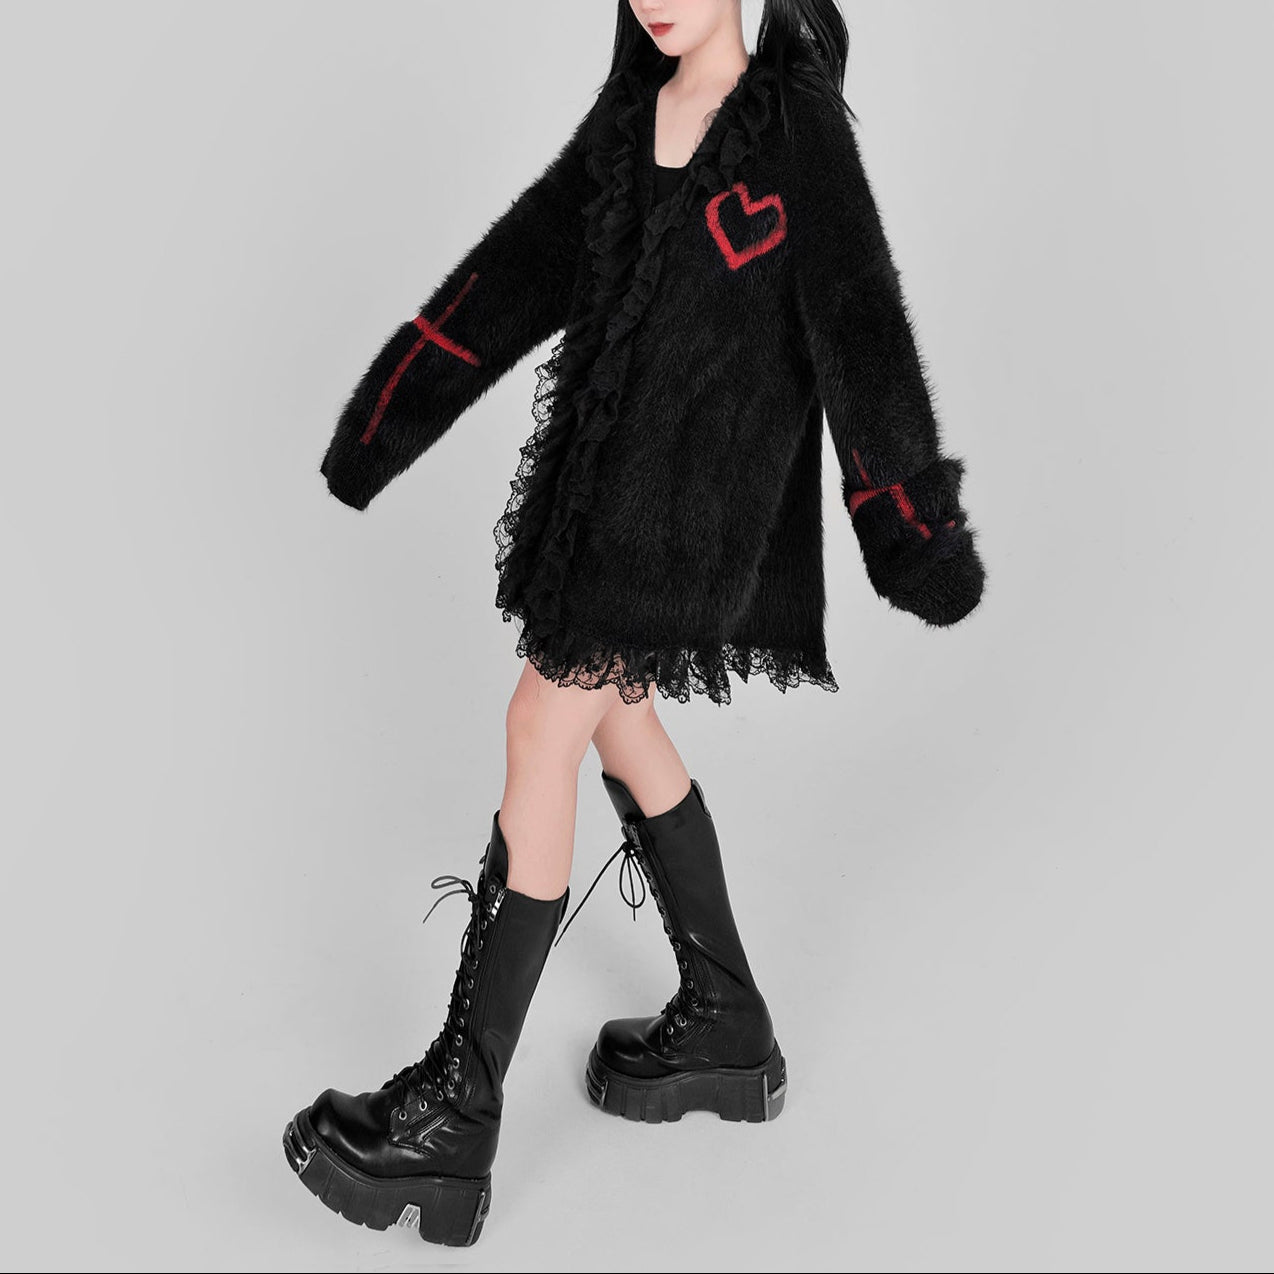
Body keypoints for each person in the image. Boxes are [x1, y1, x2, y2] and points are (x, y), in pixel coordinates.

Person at [283, 0, 986, 1248]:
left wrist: (910, 528)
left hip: (690, 517)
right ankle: (727, 1020)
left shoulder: (793, 125)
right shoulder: (633, 116)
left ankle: (455, 1114)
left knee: (537, 723)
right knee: (614, 717)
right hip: (599, 494)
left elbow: (859, 323)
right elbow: (512, 274)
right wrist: (384, 421)